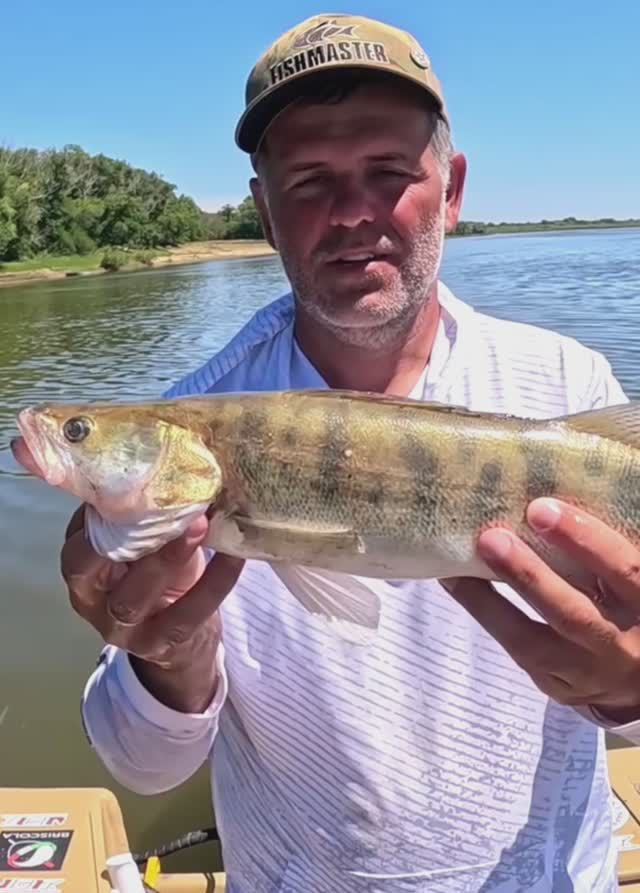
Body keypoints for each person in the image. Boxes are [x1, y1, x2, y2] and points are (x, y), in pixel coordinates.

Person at [63, 12, 640, 892]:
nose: (353, 212)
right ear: (263, 210)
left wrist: (628, 689)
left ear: (450, 190)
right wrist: (164, 655)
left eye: (388, 173)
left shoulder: (569, 386)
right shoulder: (192, 421)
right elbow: (142, 766)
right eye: (308, 181)